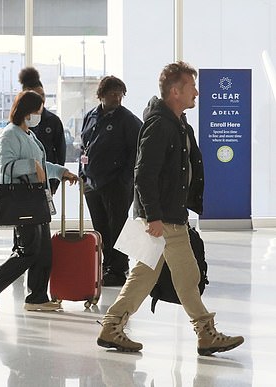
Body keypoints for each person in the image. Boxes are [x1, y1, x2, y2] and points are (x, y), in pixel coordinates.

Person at [97, 61, 244, 355]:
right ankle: (205, 333)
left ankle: (112, 327)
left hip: (169, 216)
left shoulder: (176, 122)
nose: (197, 93)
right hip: (161, 219)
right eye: (192, 87)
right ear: (176, 91)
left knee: (154, 275)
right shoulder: (160, 124)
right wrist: (152, 216)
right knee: (184, 276)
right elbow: (143, 173)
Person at [0, 90, 78, 312]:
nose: (39, 115)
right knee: (29, 250)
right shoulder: (10, 134)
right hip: (22, 201)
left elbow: (41, 164)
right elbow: (6, 168)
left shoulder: (29, 134)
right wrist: (32, 166)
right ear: (26, 111)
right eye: (37, 111)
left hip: (36, 199)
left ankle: (37, 297)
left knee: (44, 251)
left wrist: (62, 172)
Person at [78, 76, 142, 287]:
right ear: (101, 95)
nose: (117, 98)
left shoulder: (128, 120)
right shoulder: (91, 116)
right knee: (101, 227)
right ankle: (107, 265)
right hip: (92, 182)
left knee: (118, 227)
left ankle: (119, 268)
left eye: (120, 94)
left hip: (116, 184)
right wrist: (82, 172)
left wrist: (125, 178)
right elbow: (84, 147)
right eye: (113, 93)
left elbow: (137, 150)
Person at [18, 67, 67, 194]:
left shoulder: (53, 121)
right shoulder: (15, 127)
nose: (41, 99)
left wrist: (55, 180)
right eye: (36, 96)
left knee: (44, 213)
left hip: (46, 180)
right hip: (20, 184)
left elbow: (60, 153)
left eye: (43, 95)